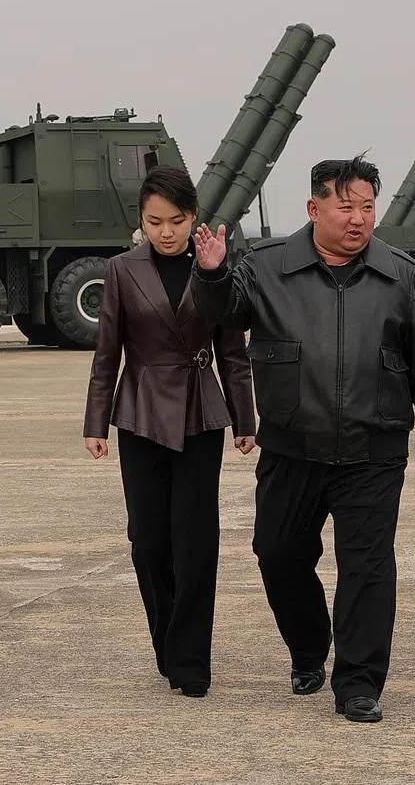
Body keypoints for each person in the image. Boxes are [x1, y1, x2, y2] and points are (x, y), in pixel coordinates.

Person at [191, 156, 415, 723]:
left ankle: (359, 682)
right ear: (314, 209)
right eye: (346, 207)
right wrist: (213, 273)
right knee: (278, 553)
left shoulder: (399, 273)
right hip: (293, 445)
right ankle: (310, 646)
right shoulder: (266, 266)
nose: (358, 219)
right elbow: (224, 314)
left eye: (367, 206)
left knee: (367, 567)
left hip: (374, 445)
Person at [83, 166, 256, 698]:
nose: (165, 231)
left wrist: (245, 418)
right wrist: (96, 421)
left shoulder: (215, 267)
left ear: (194, 219)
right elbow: (107, 352)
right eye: (155, 221)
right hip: (138, 414)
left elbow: (233, 351)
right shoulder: (120, 269)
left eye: (176, 221)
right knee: (148, 542)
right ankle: (168, 641)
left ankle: (190, 662)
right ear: (141, 219)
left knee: (196, 543)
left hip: (202, 413)